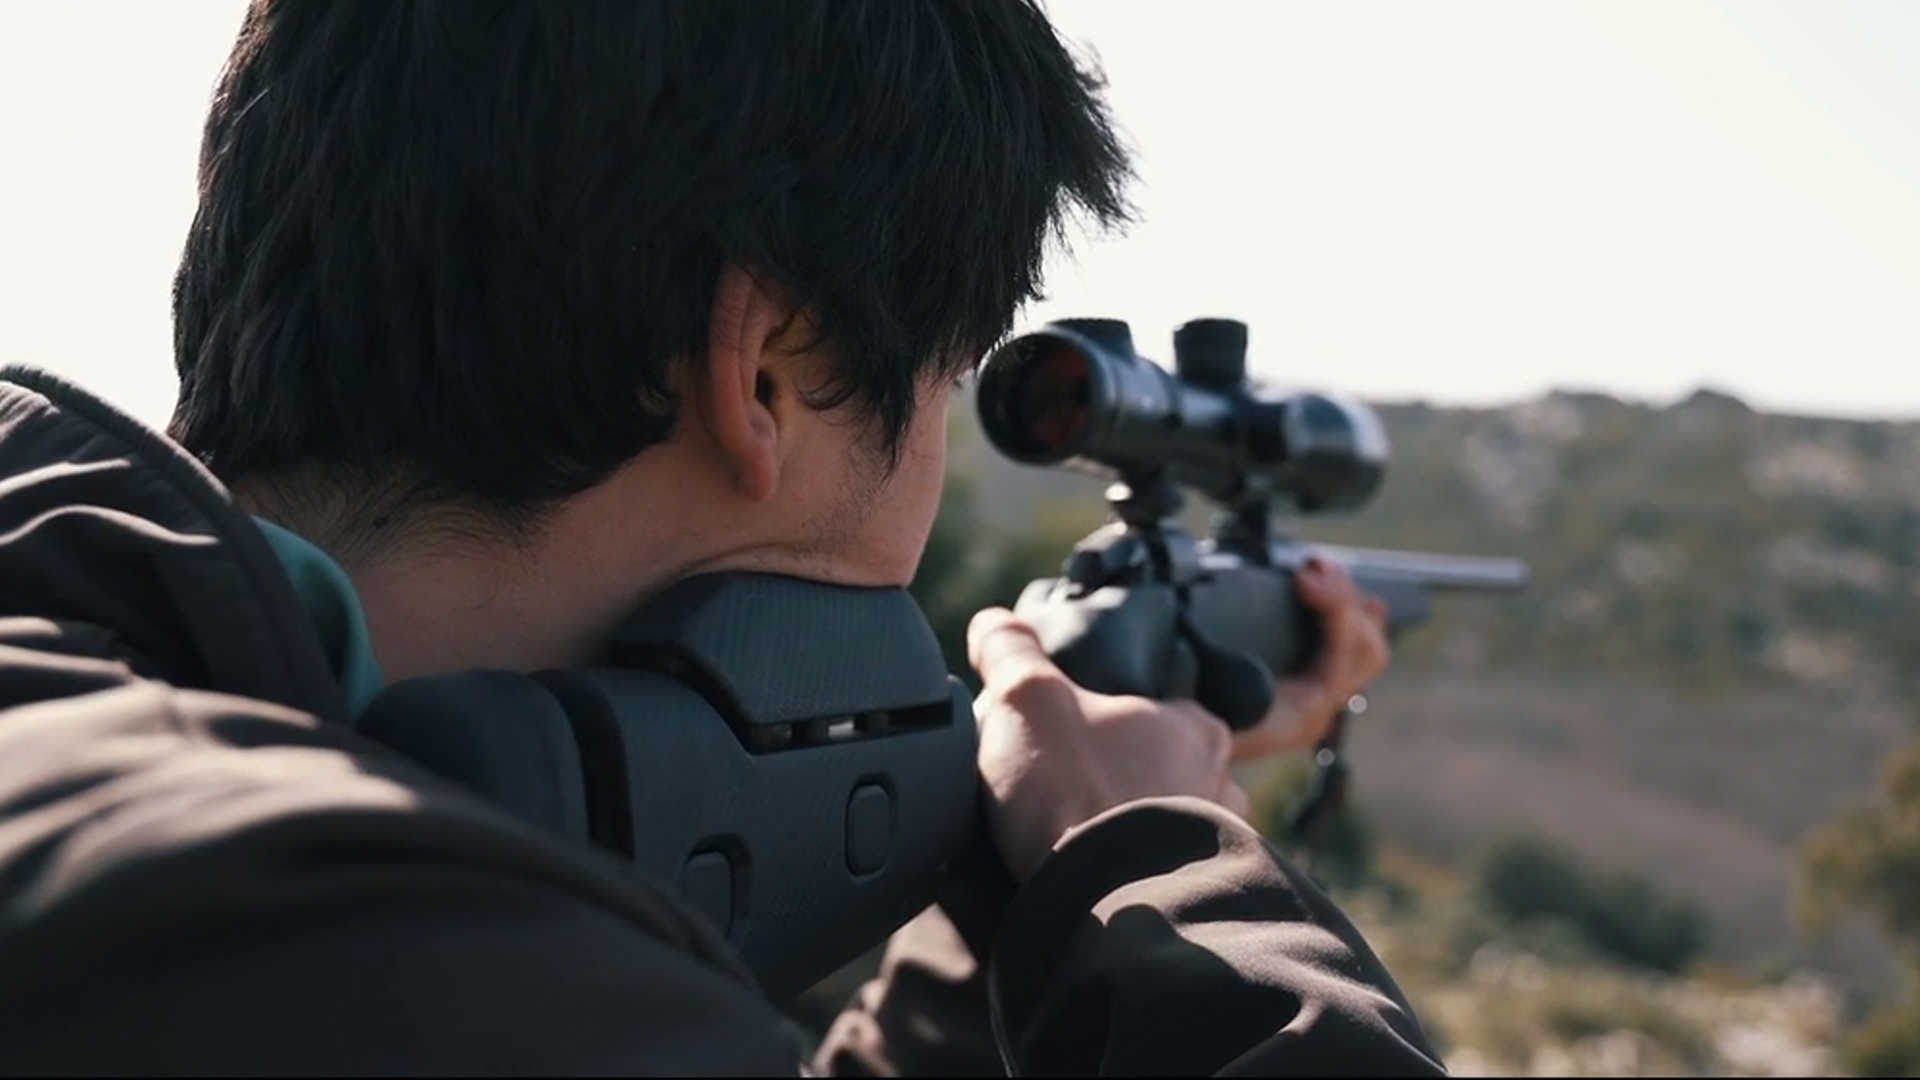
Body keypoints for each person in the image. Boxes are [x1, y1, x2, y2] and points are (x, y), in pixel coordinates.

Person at [0, 1, 1443, 1074]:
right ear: (760, 370)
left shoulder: (133, 792)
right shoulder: (395, 958)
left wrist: (1019, 906)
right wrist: (1163, 863)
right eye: (946, 388)